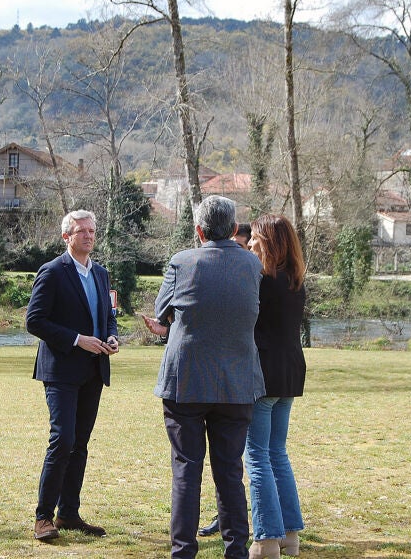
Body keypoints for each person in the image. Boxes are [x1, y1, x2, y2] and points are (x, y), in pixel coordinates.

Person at [149, 195, 266, 559]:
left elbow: (162, 311)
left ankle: (183, 551)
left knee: (186, 469)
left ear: (199, 231)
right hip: (236, 381)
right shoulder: (252, 264)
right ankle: (236, 551)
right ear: (234, 229)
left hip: (186, 380)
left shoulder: (182, 261)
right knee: (230, 471)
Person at [25, 209, 120, 542]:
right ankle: (43, 517)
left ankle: (68, 513)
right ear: (66, 236)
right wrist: (78, 339)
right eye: (82, 231)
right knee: (62, 440)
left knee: (79, 444)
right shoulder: (52, 272)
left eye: (92, 231)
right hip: (61, 370)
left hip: (94, 370)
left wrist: (111, 337)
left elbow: (108, 316)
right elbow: (34, 321)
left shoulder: (101, 273)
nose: (89, 236)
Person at [244, 214, 307, 559]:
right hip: (290, 373)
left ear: (268, 241)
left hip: (263, 375)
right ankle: (289, 535)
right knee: (276, 453)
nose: (250, 243)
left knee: (257, 455)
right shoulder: (295, 280)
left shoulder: (261, 280)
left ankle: (267, 539)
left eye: (255, 237)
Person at [198, 220, 252, 539]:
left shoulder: (251, 272)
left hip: (239, 378)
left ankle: (260, 526)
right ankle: (229, 523)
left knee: (242, 462)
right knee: (234, 463)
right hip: (217, 375)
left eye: (245, 248)